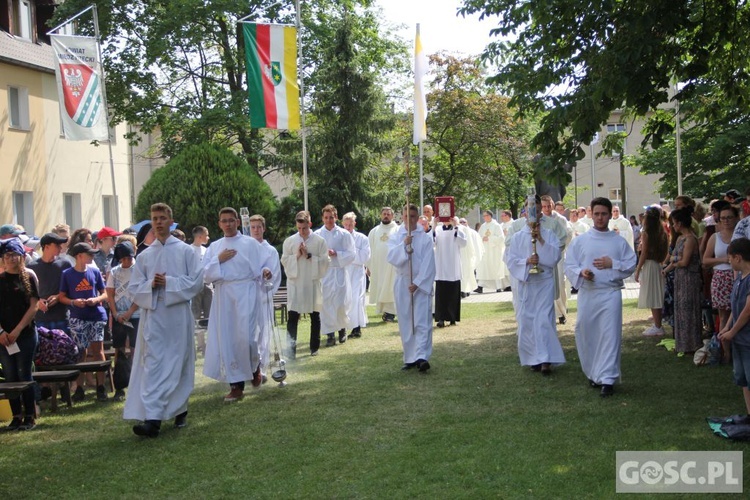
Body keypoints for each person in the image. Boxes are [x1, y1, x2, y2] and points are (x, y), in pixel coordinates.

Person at [124, 203, 204, 438]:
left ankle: (180, 409)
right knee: (154, 366)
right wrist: (152, 284)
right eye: (154, 218)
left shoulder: (186, 252)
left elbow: (196, 282)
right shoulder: (146, 255)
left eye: (162, 218)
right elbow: (135, 289)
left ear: (171, 220)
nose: (158, 222)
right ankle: (153, 419)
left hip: (178, 316)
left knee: (177, 363)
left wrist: (169, 282)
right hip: (155, 318)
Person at [565, 197, 637, 397]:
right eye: (596, 213)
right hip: (588, 294)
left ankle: (608, 378)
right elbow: (569, 264)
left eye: (603, 213)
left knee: (610, 335)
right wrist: (581, 272)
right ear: (591, 214)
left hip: (610, 293)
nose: (599, 217)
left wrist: (612, 263)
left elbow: (631, 263)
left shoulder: (618, 241)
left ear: (609, 214)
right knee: (585, 331)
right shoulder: (581, 241)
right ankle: (593, 372)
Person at [202, 208, 269, 402]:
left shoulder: (250, 244)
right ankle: (236, 385)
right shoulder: (215, 247)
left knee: (247, 337)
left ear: (238, 222)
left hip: (246, 291)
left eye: (231, 220)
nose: (228, 224)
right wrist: (218, 260)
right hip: (224, 294)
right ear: (219, 223)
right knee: (229, 339)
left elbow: (262, 265)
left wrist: (265, 272)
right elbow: (205, 275)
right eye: (224, 221)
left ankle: (254, 366)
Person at [504, 210, 564, 374]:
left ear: (540, 215)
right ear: (524, 214)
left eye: (536, 210)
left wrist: (541, 241)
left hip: (544, 282)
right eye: (528, 210)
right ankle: (533, 358)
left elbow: (554, 257)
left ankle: (545, 358)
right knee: (528, 320)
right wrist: (527, 261)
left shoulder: (549, 234)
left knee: (544, 319)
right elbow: (511, 260)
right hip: (527, 283)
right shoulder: (517, 237)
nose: (532, 214)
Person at [387, 204, 436, 372]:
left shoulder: (425, 237)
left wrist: (419, 282)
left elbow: (429, 262)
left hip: (420, 284)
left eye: (414, 216)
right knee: (406, 320)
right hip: (403, 281)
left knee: (421, 321)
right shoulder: (396, 235)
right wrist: (403, 245)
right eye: (407, 216)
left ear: (418, 217)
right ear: (403, 217)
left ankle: (422, 356)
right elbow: (391, 257)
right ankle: (410, 357)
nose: (411, 219)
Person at [59, 242, 109, 402]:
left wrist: (96, 299)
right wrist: (74, 302)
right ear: (79, 256)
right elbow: (61, 296)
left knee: (98, 350)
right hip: (77, 317)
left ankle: (101, 387)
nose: (92, 256)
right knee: (80, 352)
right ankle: (79, 388)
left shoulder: (94, 272)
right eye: (89, 253)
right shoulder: (67, 274)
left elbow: (105, 293)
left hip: (96, 316)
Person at [0, 239, 40, 430]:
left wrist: (17, 330)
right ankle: (16, 415)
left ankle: (30, 415)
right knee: (10, 375)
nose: (10, 259)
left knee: (25, 373)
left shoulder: (28, 277)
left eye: (14, 255)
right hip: (4, 337)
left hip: (25, 334)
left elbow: (34, 306)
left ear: (21, 257)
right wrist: (2, 332)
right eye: (7, 255)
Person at [281, 211, 329, 357]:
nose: (302, 231)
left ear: (310, 225)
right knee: (293, 317)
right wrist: (296, 255)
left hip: (312, 282)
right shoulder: (289, 241)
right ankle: (290, 350)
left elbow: (325, 262)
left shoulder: (319, 241)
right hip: (296, 284)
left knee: (315, 315)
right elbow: (284, 260)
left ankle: (314, 347)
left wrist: (309, 256)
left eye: (305, 228)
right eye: (299, 228)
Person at [662, 207, 703, 354]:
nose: (673, 226)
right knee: (679, 309)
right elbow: (674, 260)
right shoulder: (680, 238)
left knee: (689, 310)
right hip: (679, 278)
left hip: (689, 278)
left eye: (674, 223)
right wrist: (665, 270)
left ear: (679, 223)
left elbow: (684, 261)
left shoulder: (691, 239)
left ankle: (692, 343)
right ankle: (682, 343)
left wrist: (674, 259)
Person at [718, 238, 750, 419]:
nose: (729, 261)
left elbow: (747, 310)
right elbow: (735, 307)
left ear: (738, 257)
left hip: (747, 339)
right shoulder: (739, 279)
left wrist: (733, 331)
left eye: (730, 258)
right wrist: (727, 327)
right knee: (743, 379)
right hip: (739, 339)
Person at [315, 205, 355, 346]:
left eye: (331, 217)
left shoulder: (344, 234)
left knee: (341, 302)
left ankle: (342, 329)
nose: (329, 220)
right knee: (326, 304)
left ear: (336, 217)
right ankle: (330, 334)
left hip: (339, 271)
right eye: (326, 218)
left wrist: (337, 253)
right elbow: (314, 254)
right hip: (325, 273)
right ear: (322, 218)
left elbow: (352, 253)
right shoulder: (318, 235)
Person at [106, 242, 140, 402]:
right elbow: (110, 294)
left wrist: (130, 312)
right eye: (123, 259)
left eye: (129, 258)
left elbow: (142, 293)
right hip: (119, 317)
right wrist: (115, 313)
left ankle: (137, 383)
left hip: (137, 314)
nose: (126, 261)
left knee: (136, 349)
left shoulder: (139, 269)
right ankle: (119, 386)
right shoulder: (114, 272)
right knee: (119, 351)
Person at [704, 206, 740, 361]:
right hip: (720, 277)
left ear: (736, 218)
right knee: (723, 315)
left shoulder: (740, 236)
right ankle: (726, 353)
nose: (726, 221)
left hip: (738, 277)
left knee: (739, 313)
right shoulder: (715, 237)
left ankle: (740, 349)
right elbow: (705, 260)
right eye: (722, 218)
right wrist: (723, 260)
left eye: (729, 217)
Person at [248, 214, 281, 377]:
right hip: (246, 298)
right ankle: (249, 366)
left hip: (263, 297)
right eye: (252, 227)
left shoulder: (270, 251)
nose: (255, 230)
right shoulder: (245, 248)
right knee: (248, 333)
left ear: (264, 228)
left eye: (258, 227)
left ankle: (263, 366)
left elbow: (275, 272)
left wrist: (268, 275)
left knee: (264, 333)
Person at [635, 207, 669, 336]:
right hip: (658, 264)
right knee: (656, 294)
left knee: (653, 295)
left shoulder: (646, 233)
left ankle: (658, 325)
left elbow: (644, 254)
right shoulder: (663, 233)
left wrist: (638, 269)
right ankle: (657, 323)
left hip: (649, 265)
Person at [28, 233, 71, 334]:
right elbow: (26, 292)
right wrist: (38, 302)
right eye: (57, 245)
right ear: (46, 247)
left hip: (61, 316)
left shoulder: (65, 264)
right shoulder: (32, 267)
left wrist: (58, 297)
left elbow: (72, 288)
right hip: (40, 318)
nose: (60, 248)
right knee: (42, 349)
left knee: (63, 348)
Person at [367, 207, 399, 322]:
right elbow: (369, 249)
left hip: (392, 266)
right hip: (378, 266)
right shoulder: (374, 231)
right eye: (384, 214)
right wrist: (368, 266)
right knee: (381, 287)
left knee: (391, 288)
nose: (386, 216)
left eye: (388, 214)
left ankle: (390, 313)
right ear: (381, 215)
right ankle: (385, 311)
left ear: (392, 216)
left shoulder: (398, 230)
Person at [433, 216, 466, 327]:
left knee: (453, 292)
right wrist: (433, 225)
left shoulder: (458, 228)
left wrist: (457, 226)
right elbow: (432, 242)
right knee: (441, 293)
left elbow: (463, 243)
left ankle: (453, 318)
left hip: (453, 265)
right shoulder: (438, 229)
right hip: (441, 265)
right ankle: (441, 318)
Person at [342, 212, 370, 339]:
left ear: (355, 224)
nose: (348, 227)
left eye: (350, 224)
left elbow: (365, 256)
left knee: (356, 299)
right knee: (344, 299)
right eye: (346, 225)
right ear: (342, 224)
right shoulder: (340, 237)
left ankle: (356, 327)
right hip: (344, 271)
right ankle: (343, 326)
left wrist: (351, 254)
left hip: (357, 272)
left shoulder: (362, 238)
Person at [190, 226, 212, 355]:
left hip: (207, 285)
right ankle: (200, 343)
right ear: (199, 236)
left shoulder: (207, 250)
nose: (208, 237)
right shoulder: (189, 250)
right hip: (195, 285)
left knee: (210, 314)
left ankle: (209, 344)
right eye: (206, 235)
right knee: (196, 314)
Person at [475, 211, 505, 293]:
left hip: (494, 251)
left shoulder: (496, 225)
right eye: (483, 216)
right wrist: (482, 238)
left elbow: (501, 238)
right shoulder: (483, 226)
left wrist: (490, 239)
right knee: (483, 268)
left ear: (490, 216)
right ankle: (480, 286)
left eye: (486, 215)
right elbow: (478, 237)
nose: (484, 217)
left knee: (495, 267)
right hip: (485, 251)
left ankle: (498, 287)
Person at [458, 218, 483, 298]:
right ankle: (463, 291)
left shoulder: (473, 233)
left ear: (467, 222)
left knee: (468, 275)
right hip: (460, 257)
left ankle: (466, 291)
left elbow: (477, 246)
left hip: (469, 257)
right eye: (460, 222)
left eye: (463, 222)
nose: (462, 223)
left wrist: (475, 258)